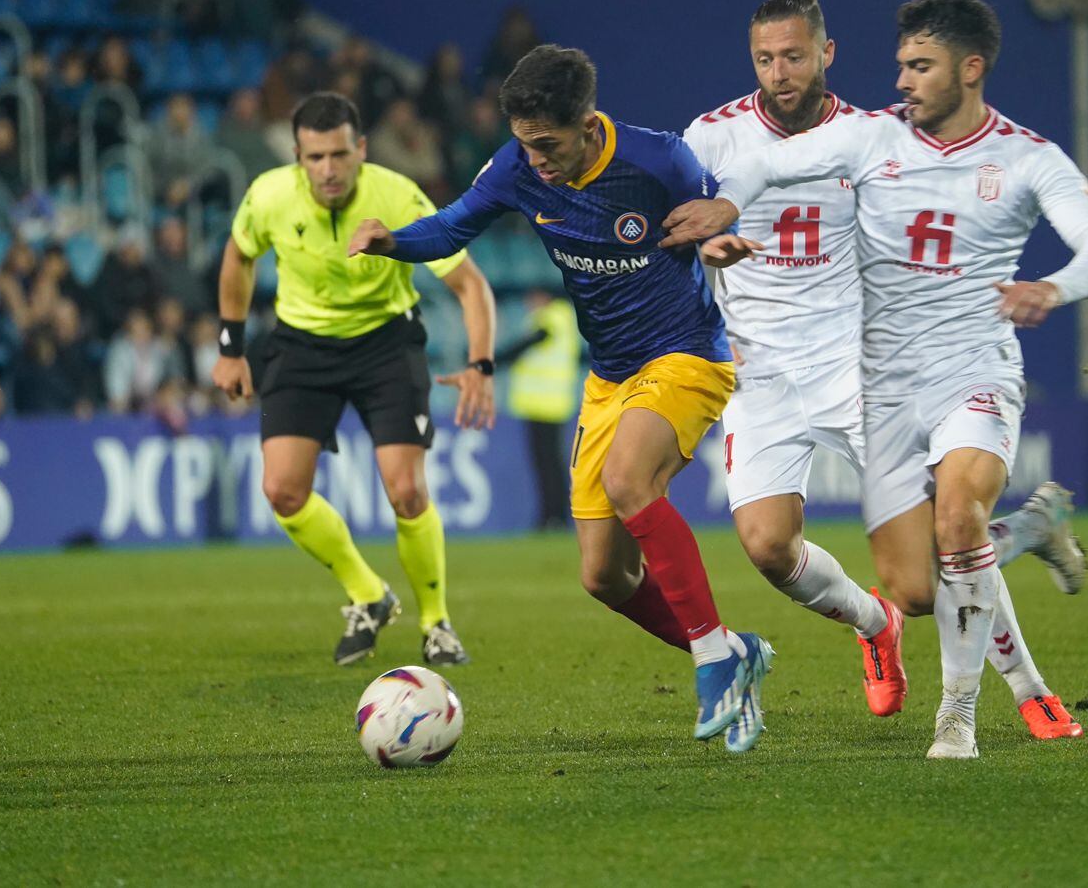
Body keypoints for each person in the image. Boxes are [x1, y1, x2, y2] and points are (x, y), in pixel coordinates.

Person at [663, 0, 1088, 758]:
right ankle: (873, 628)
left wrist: (1032, 288)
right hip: (763, 374)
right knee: (768, 548)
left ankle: (1024, 689)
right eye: (764, 59)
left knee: (944, 547)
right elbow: (710, 203)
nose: (780, 72)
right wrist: (708, 241)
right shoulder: (712, 137)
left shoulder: (873, 136)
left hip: (858, 365)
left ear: (826, 54)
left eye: (793, 55)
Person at [347, 45, 775, 751]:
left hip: (686, 354)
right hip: (608, 376)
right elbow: (453, 226)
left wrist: (718, 243)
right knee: (604, 576)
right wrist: (391, 242)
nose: (536, 161)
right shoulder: (518, 166)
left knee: (629, 481)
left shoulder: (658, 161)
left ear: (586, 122)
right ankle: (732, 650)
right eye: (525, 144)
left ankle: (711, 660)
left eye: (548, 144)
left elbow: (709, 223)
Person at [213, 91, 498, 668]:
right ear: (297, 155)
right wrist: (231, 347)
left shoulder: (395, 194)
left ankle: (436, 622)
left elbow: (470, 284)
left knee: (407, 490)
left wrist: (480, 364)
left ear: (361, 149)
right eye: (315, 157)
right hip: (300, 345)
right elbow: (239, 256)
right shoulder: (268, 195)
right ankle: (369, 594)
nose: (328, 169)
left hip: (386, 344)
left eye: (339, 155)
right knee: (282, 492)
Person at [497, 288, 580, 530]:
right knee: (548, 464)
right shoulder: (558, 318)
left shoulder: (554, 317)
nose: (529, 304)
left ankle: (553, 516)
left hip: (546, 403)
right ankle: (553, 515)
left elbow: (534, 340)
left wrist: (500, 357)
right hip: (545, 403)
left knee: (548, 464)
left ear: (543, 297)